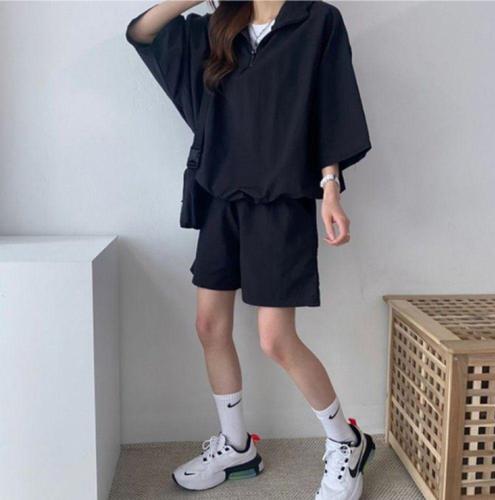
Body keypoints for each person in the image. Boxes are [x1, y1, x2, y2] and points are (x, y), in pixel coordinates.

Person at [126, 1, 374, 498]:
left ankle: (346, 441)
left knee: (275, 340)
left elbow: (331, 105)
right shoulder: (219, 27)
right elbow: (142, 32)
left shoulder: (317, 20)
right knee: (209, 326)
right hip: (221, 196)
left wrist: (330, 187)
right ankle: (237, 445)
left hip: (282, 199)